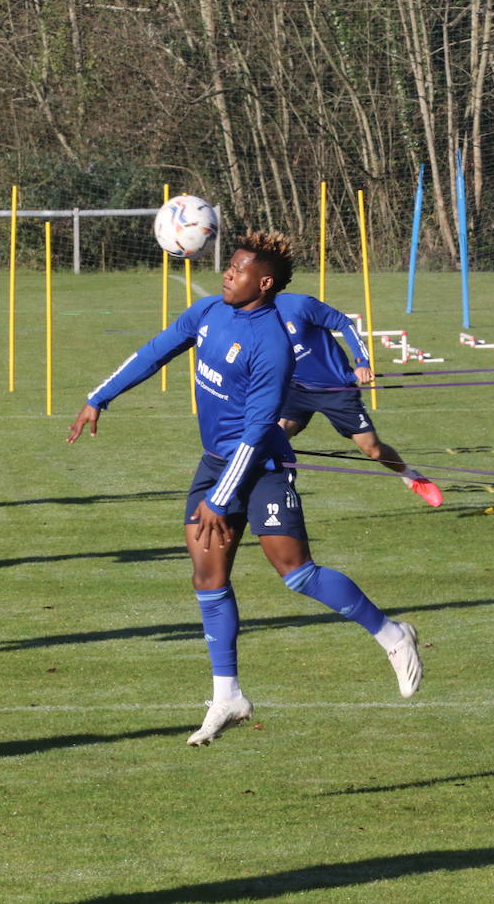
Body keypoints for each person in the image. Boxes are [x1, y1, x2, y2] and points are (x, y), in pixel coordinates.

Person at [68, 230, 423, 746]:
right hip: (215, 463)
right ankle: (228, 695)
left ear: (265, 282)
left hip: (262, 465)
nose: (226, 275)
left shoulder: (272, 344)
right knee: (207, 577)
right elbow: (155, 350)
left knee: (296, 574)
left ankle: (393, 634)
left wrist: (219, 499)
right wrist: (99, 397)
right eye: (228, 267)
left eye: (236, 270)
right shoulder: (209, 313)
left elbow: (259, 431)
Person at [273, 292, 443, 507]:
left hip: (337, 389)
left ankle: (411, 477)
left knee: (373, 449)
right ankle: (265, 492)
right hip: (296, 389)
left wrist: (362, 362)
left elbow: (344, 323)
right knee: (272, 439)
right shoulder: (249, 317)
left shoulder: (298, 305)